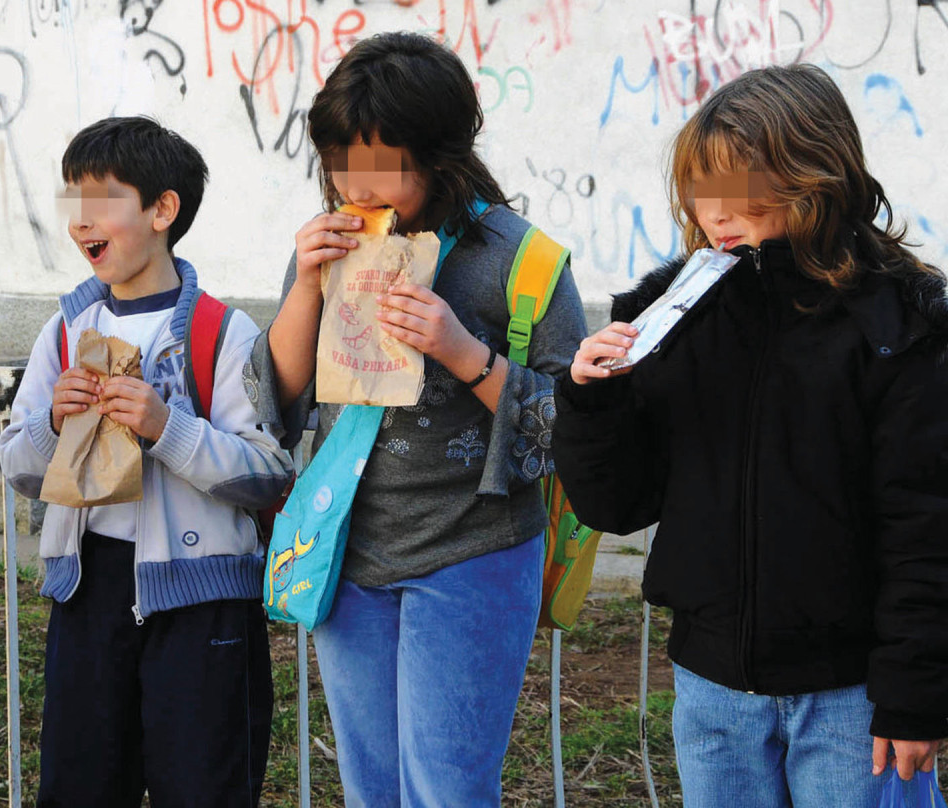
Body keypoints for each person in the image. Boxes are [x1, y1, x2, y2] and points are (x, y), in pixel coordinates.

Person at [552, 63, 948, 807]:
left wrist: (915, 691)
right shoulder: (666, 314)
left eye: (739, 188)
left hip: (851, 700)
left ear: (813, 176)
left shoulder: (899, 326)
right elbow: (617, 505)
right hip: (711, 691)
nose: (714, 211)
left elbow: (926, 524)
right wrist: (588, 402)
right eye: (702, 187)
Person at [245, 31, 587, 807]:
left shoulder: (521, 260)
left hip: (474, 552)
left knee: (448, 788)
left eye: (381, 166)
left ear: (439, 153)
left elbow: (575, 428)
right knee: (373, 788)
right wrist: (304, 284)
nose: (356, 187)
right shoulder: (334, 244)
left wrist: (464, 353)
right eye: (340, 164)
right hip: (347, 550)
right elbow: (281, 401)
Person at [0, 116, 293, 808]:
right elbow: (17, 462)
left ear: (164, 209)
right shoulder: (68, 328)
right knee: (80, 783)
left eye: (100, 202)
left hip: (203, 602)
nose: (80, 222)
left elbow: (267, 474)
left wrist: (166, 427)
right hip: (87, 592)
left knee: (204, 786)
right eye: (72, 202)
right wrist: (53, 423)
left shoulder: (224, 331)